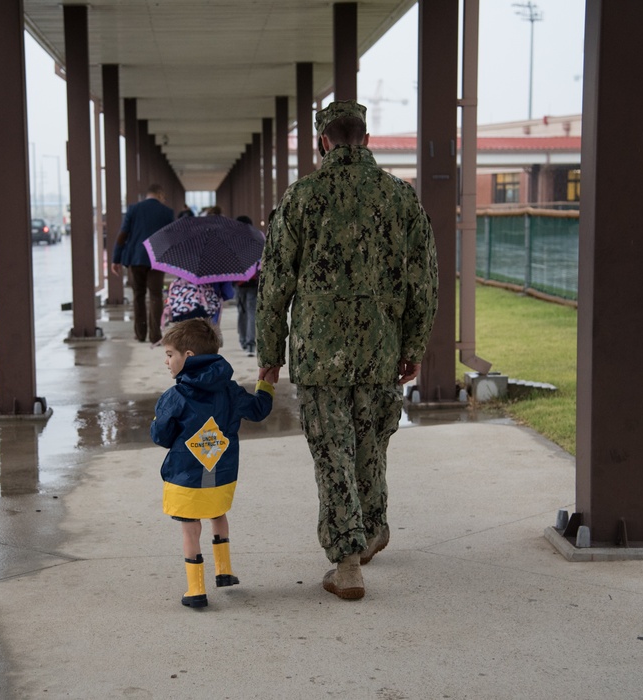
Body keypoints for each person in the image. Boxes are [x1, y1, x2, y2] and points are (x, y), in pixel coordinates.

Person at [255, 100, 439, 601]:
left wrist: (269, 356)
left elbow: (273, 286)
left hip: (318, 353)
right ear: (366, 138)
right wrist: (414, 345)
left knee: (333, 451)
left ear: (323, 141)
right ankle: (372, 528)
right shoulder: (401, 199)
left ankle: (347, 561)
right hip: (380, 348)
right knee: (372, 443)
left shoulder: (301, 198)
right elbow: (424, 281)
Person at [151, 318, 274, 608]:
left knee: (190, 528)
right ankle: (224, 571)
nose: (166, 361)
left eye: (170, 355)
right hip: (221, 473)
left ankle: (196, 590)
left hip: (186, 477)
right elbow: (257, 410)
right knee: (218, 512)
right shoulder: (230, 391)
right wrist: (265, 384)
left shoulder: (175, 396)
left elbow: (162, 437)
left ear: (188, 357)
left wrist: (158, 419)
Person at [112, 184, 176, 344]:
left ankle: (140, 333)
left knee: (138, 295)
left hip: (136, 258)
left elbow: (123, 234)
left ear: (147, 195)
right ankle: (155, 336)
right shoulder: (167, 212)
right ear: (160, 195)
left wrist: (116, 258)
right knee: (155, 295)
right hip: (157, 259)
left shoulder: (133, 209)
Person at [234, 215, 260, 357]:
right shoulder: (256, 239)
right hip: (253, 282)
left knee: (241, 312)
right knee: (251, 312)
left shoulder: (233, 240)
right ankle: (250, 344)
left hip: (238, 282)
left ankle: (243, 341)